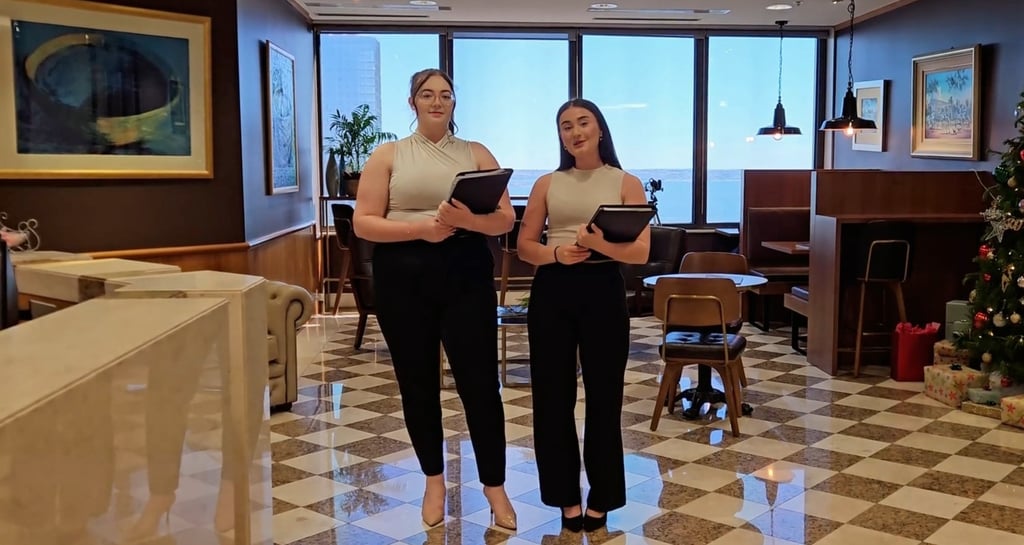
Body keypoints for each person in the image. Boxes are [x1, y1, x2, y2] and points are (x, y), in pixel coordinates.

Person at [353, 68, 517, 530]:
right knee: (418, 382)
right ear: (413, 103)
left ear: (453, 102)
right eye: (427, 95)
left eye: (445, 95)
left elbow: (505, 219)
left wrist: (469, 221)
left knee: (480, 384)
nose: (437, 102)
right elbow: (364, 222)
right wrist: (421, 229)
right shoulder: (388, 154)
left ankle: (495, 486)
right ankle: (433, 481)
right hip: (403, 276)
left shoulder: (477, 153)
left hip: (466, 273)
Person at [516, 98, 650, 533]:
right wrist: (557, 253)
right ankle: (565, 497)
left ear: (600, 129)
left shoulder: (626, 182)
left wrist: (596, 245)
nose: (575, 132)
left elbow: (640, 251)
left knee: (605, 398)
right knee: (552, 399)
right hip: (553, 289)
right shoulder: (547, 184)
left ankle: (603, 497)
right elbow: (524, 247)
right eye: (566, 126)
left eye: (583, 122)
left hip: (603, 288)